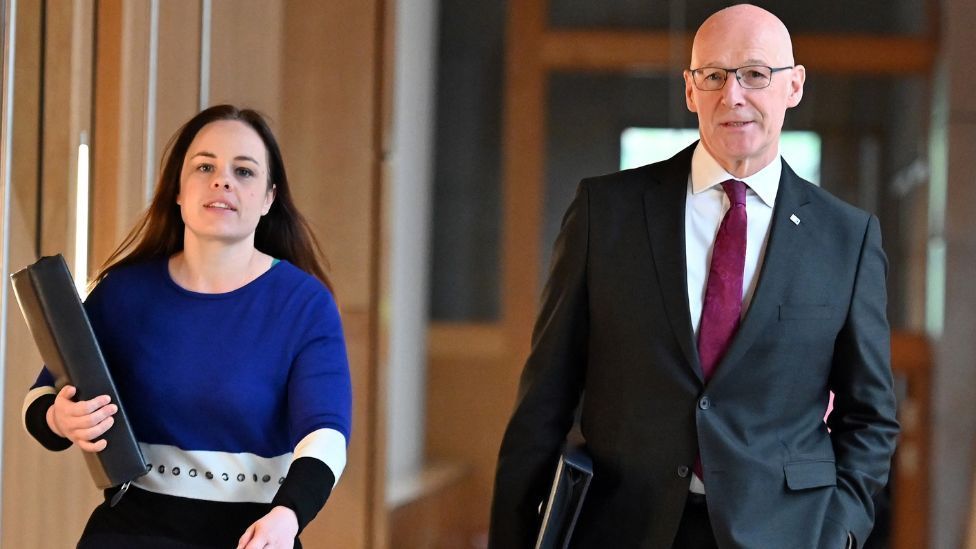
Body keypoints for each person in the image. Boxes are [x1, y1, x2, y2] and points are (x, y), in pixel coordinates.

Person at [489, 5, 899, 549]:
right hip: (621, 527)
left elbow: (870, 416)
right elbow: (544, 398)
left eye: (755, 74)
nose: (733, 96)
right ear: (690, 89)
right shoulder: (605, 212)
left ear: (794, 86)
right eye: (713, 75)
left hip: (786, 531)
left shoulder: (847, 238)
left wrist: (839, 531)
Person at [22, 104, 352, 549]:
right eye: (204, 166)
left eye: (244, 171)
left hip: (256, 533)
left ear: (269, 198)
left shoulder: (304, 304)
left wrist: (289, 515)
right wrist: (61, 418)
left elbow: (326, 435)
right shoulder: (122, 292)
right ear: (178, 189)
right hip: (132, 529)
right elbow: (41, 398)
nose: (223, 180)